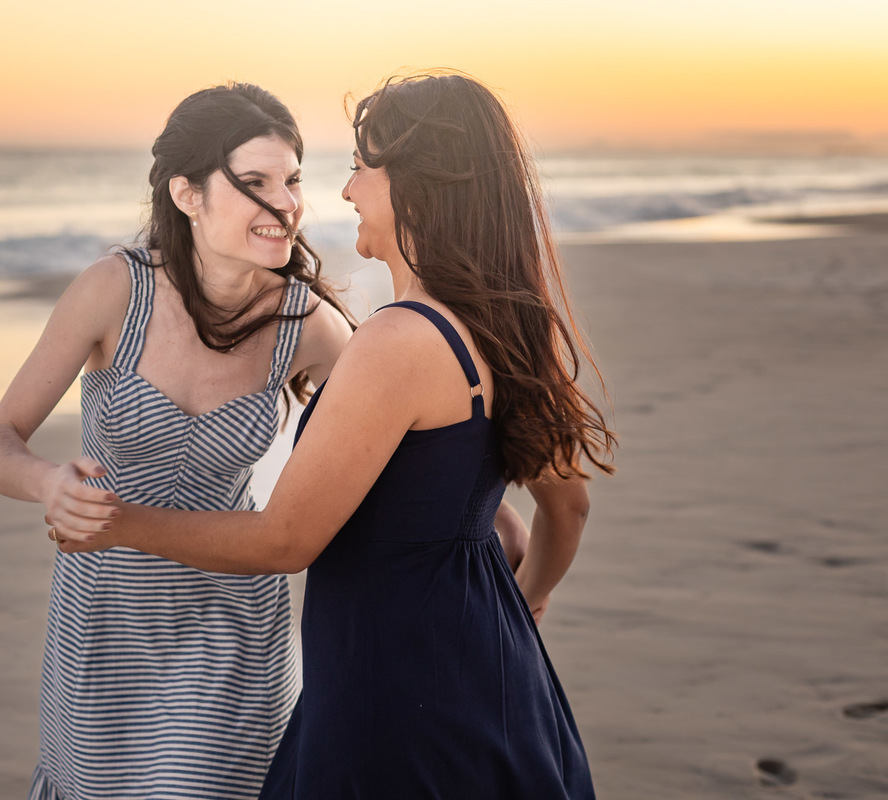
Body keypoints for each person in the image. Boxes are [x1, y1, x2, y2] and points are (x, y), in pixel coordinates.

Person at [54, 71, 616, 799]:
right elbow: (567, 508)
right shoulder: (506, 326)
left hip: (391, 690)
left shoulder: (397, 342)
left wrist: (116, 523)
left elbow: (284, 541)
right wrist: (528, 601)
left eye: (359, 168)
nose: (346, 191)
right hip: (501, 672)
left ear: (416, 185)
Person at [0, 83, 358, 799]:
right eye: (254, 183)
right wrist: (47, 482)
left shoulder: (308, 325)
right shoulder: (114, 290)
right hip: (104, 622)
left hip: (235, 626)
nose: (287, 205)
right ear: (188, 195)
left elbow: (397, 432)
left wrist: (489, 522)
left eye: (293, 180)